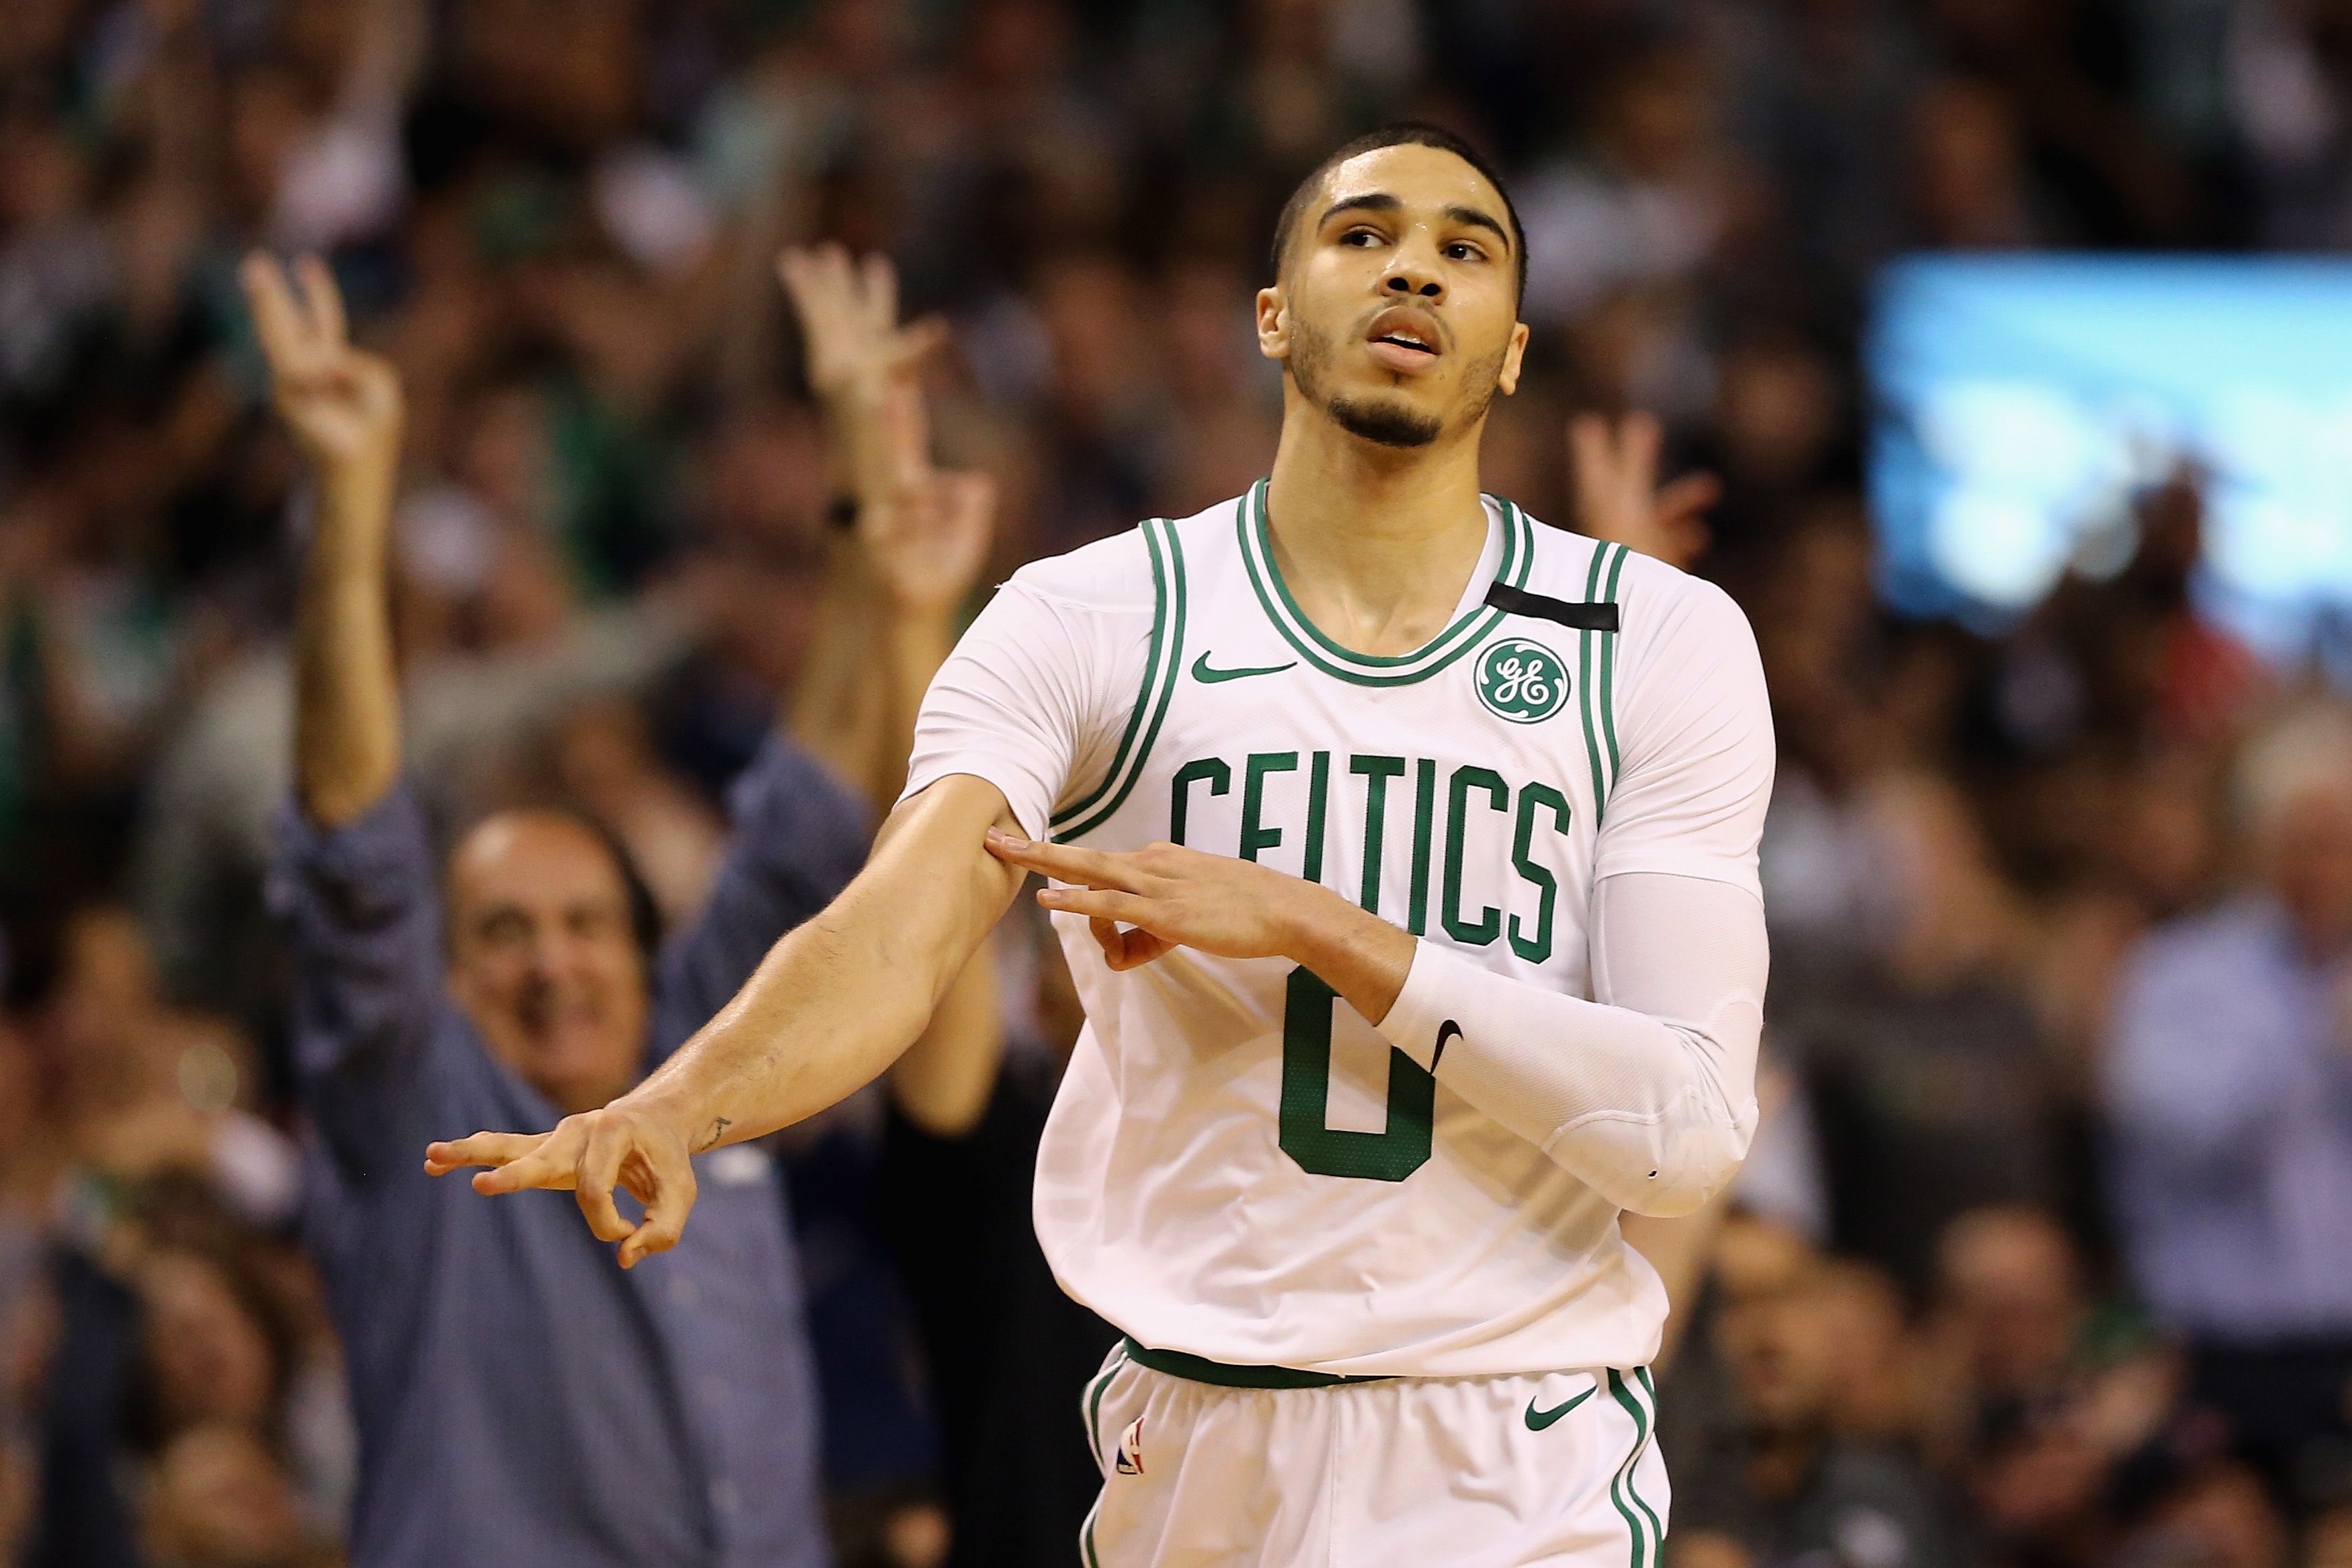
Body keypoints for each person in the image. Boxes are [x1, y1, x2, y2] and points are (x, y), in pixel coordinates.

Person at [434, 123, 1776, 1567]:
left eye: (1467, 250)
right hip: (1188, 1434)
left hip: (1509, 1441)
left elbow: (1685, 1128)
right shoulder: (1092, 616)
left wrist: (1328, 929)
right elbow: (902, 922)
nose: (1414, 268)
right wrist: (680, 1098)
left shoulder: (1652, 638)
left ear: (1511, 347)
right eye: (1363, 233)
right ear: (1272, 316)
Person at [247, 245, 997, 1568]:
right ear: (444, 978)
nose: (555, 962)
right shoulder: (416, 1105)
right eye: (505, 932)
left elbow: (809, 802)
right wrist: (351, 506)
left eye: (589, 922)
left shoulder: (709, 1060)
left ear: (644, 956)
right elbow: (354, 838)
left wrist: (859, 494)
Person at [2105, 700, 2352, 1518]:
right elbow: (2185, 1138)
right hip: (2220, 1354)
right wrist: (2316, 1037)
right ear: (2262, 843)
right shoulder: (2180, 973)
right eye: (2312, 838)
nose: (2331, 864)